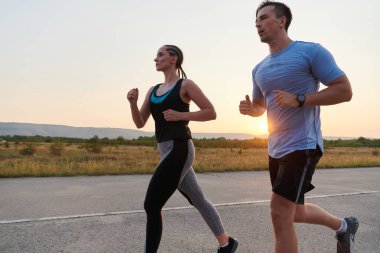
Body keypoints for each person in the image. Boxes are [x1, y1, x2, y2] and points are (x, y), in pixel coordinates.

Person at [239, 1, 358, 253]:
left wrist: (301, 99)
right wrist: (253, 111)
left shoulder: (311, 52)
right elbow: (262, 106)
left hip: (303, 143)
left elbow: (344, 90)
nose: (258, 24)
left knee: (279, 212)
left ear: (282, 21)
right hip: (276, 147)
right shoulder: (258, 69)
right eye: (255, 21)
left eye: (263, 18)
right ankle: (343, 226)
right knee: (294, 212)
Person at [127, 45, 238, 253]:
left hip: (180, 148)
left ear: (173, 59)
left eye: (160, 55)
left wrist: (180, 116)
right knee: (198, 199)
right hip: (165, 149)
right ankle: (226, 243)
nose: (155, 59)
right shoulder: (153, 90)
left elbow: (210, 112)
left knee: (151, 204)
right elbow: (140, 122)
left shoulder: (185, 85)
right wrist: (132, 103)